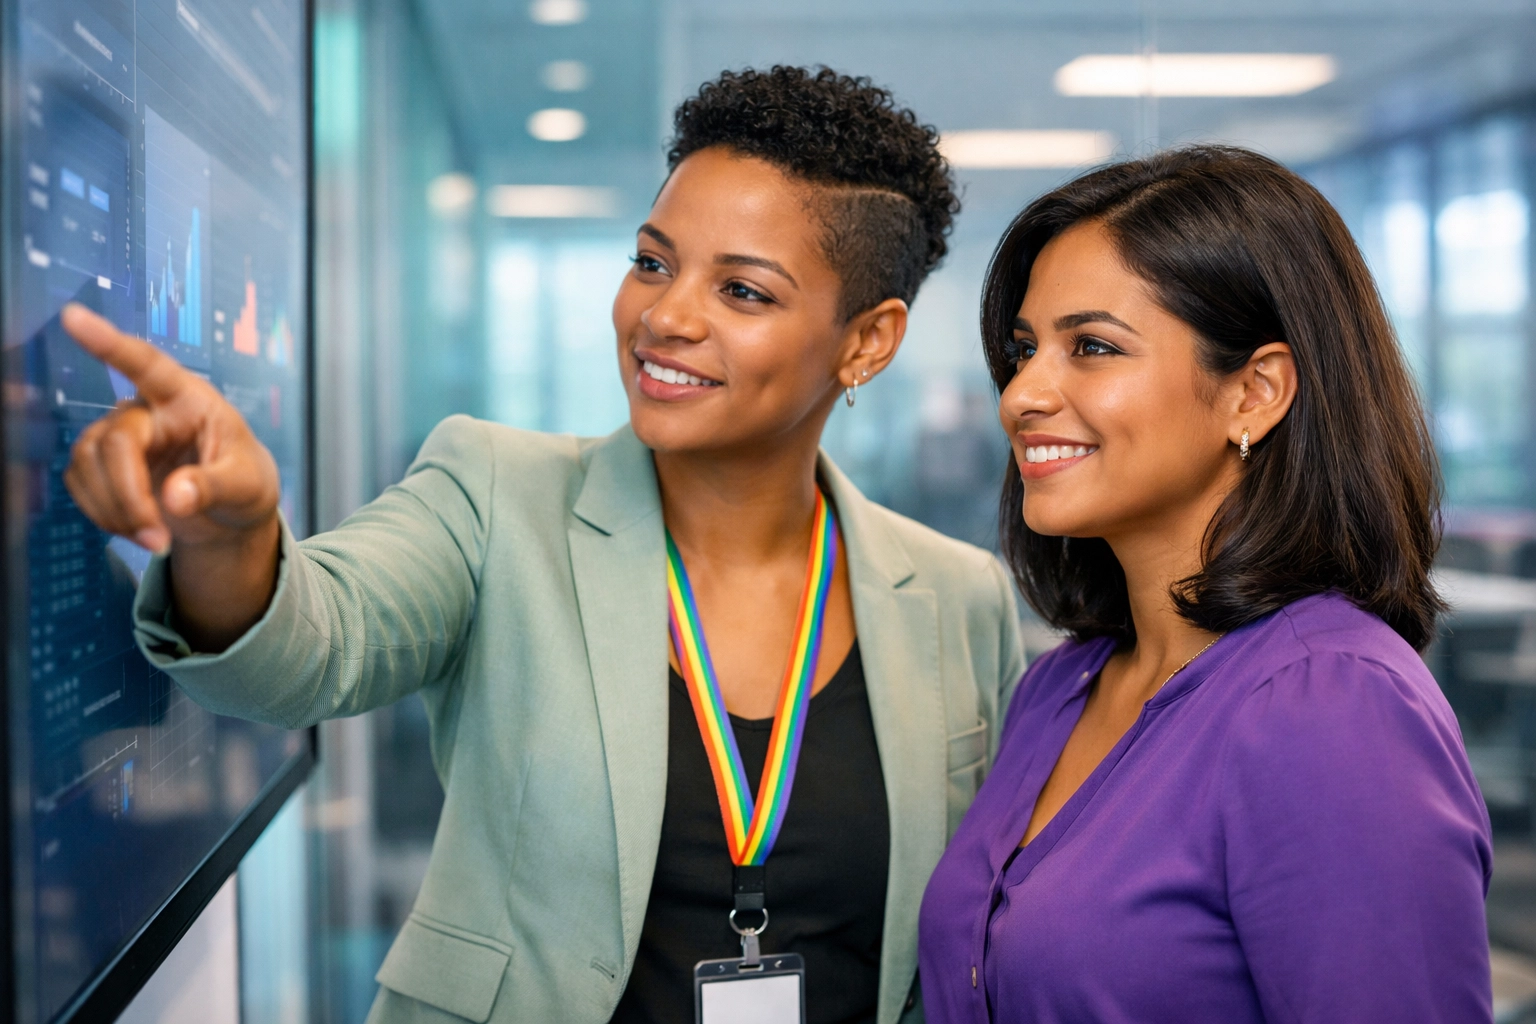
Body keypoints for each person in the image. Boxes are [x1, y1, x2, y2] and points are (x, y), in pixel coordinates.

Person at [61, 66, 1023, 1024]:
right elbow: (311, 648)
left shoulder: (958, 598)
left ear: (867, 343)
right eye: (653, 261)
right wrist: (231, 540)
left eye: (741, 290)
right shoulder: (495, 495)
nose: (665, 316)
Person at [918, 146, 1492, 1023]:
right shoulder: (1061, 687)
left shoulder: (1333, 708)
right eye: (1025, 349)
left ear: (1255, 393)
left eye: (1094, 347)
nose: (1021, 394)